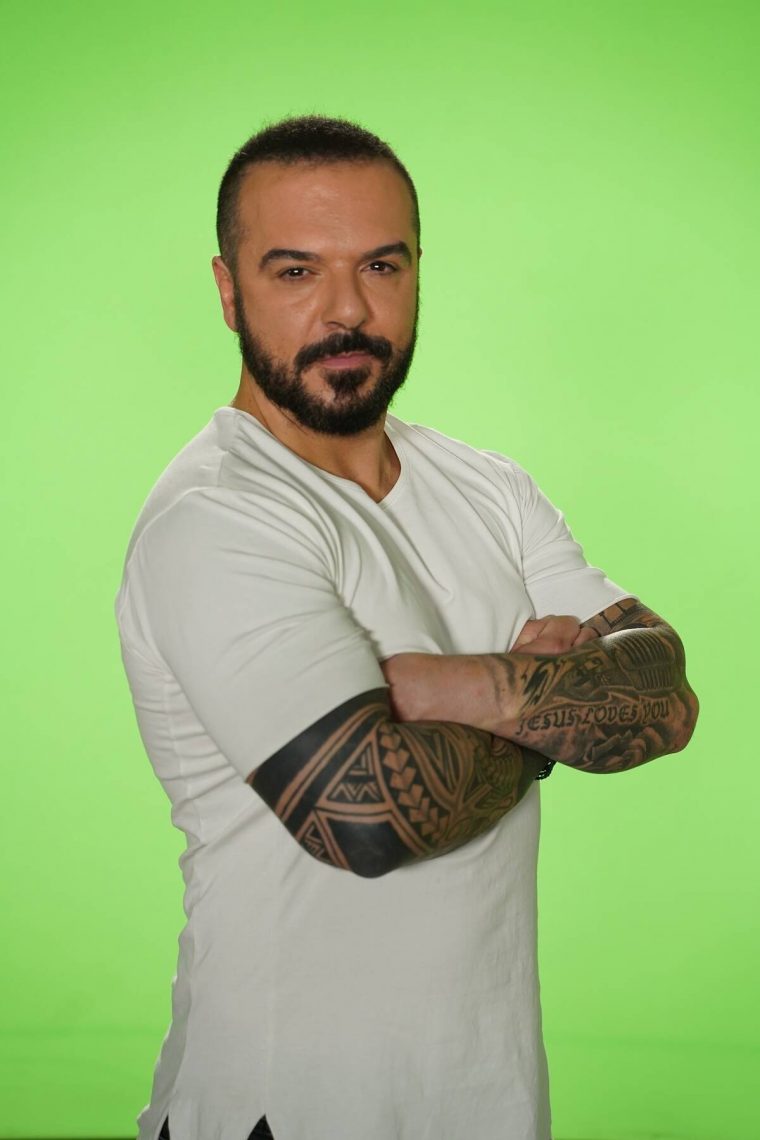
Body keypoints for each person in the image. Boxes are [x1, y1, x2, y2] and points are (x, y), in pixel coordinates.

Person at [115, 114, 699, 1140]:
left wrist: (449, 686)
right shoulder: (217, 514)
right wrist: (543, 714)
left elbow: (663, 696)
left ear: (419, 272)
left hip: (486, 1102)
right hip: (277, 1110)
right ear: (228, 289)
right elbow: (366, 818)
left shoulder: (489, 487)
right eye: (296, 271)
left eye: (380, 265)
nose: (347, 309)